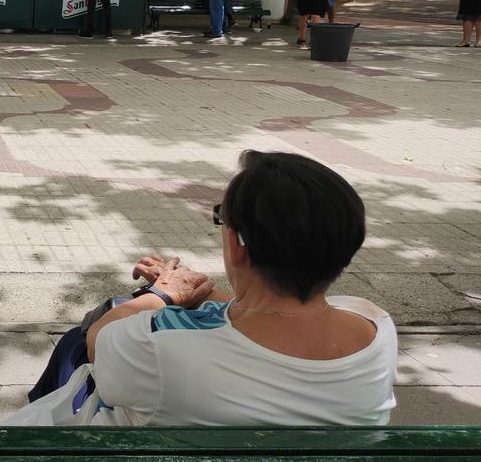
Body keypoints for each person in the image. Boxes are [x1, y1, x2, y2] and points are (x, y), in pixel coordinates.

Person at [28, 150, 396, 426]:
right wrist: (198, 290)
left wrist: (163, 296)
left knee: (77, 340)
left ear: (237, 244)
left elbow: (99, 339)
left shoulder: (164, 350)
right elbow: (273, 309)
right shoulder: (375, 330)